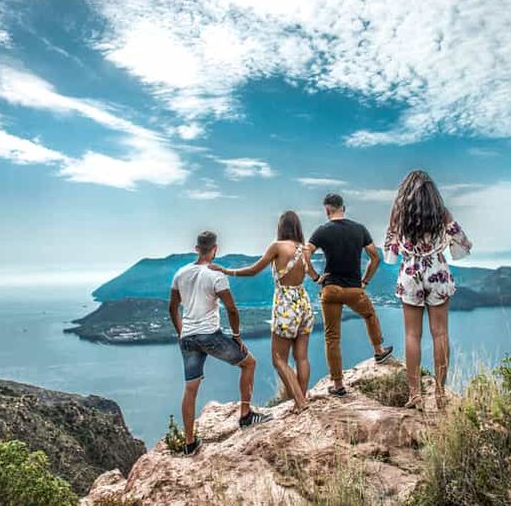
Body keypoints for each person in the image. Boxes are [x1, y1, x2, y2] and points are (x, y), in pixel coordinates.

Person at [168, 230, 271, 456]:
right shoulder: (216, 275)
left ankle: (189, 443)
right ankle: (245, 416)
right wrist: (236, 336)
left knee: (190, 388)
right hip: (210, 336)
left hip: (188, 337)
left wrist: (181, 332)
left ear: (196, 249)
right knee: (249, 363)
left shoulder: (180, 273)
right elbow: (232, 309)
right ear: (215, 249)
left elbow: (173, 308)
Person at [209, 211, 322, 413]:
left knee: (278, 359)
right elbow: (314, 276)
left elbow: (254, 270)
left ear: (281, 227)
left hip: (286, 306)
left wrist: (227, 271)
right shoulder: (304, 250)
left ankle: (300, 403)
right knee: (302, 357)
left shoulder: (278, 247)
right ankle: (302, 399)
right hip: (304, 303)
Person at [383, 170, 472, 410]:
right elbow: (462, 242)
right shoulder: (440, 212)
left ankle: (415, 394)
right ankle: (440, 393)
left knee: (412, 335)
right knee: (440, 333)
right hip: (437, 271)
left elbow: (390, 252)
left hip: (411, 272)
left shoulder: (399, 214)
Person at [307, 193, 394, 397]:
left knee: (332, 337)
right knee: (370, 315)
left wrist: (315, 277)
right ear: (343, 208)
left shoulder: (322, 231)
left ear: (327, 210)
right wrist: (365, 281)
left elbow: (305, 254)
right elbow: (375, 257)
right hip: (355, 289)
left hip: (330, 290)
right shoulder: (359, 229)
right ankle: (379, 351)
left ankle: (338, 386)